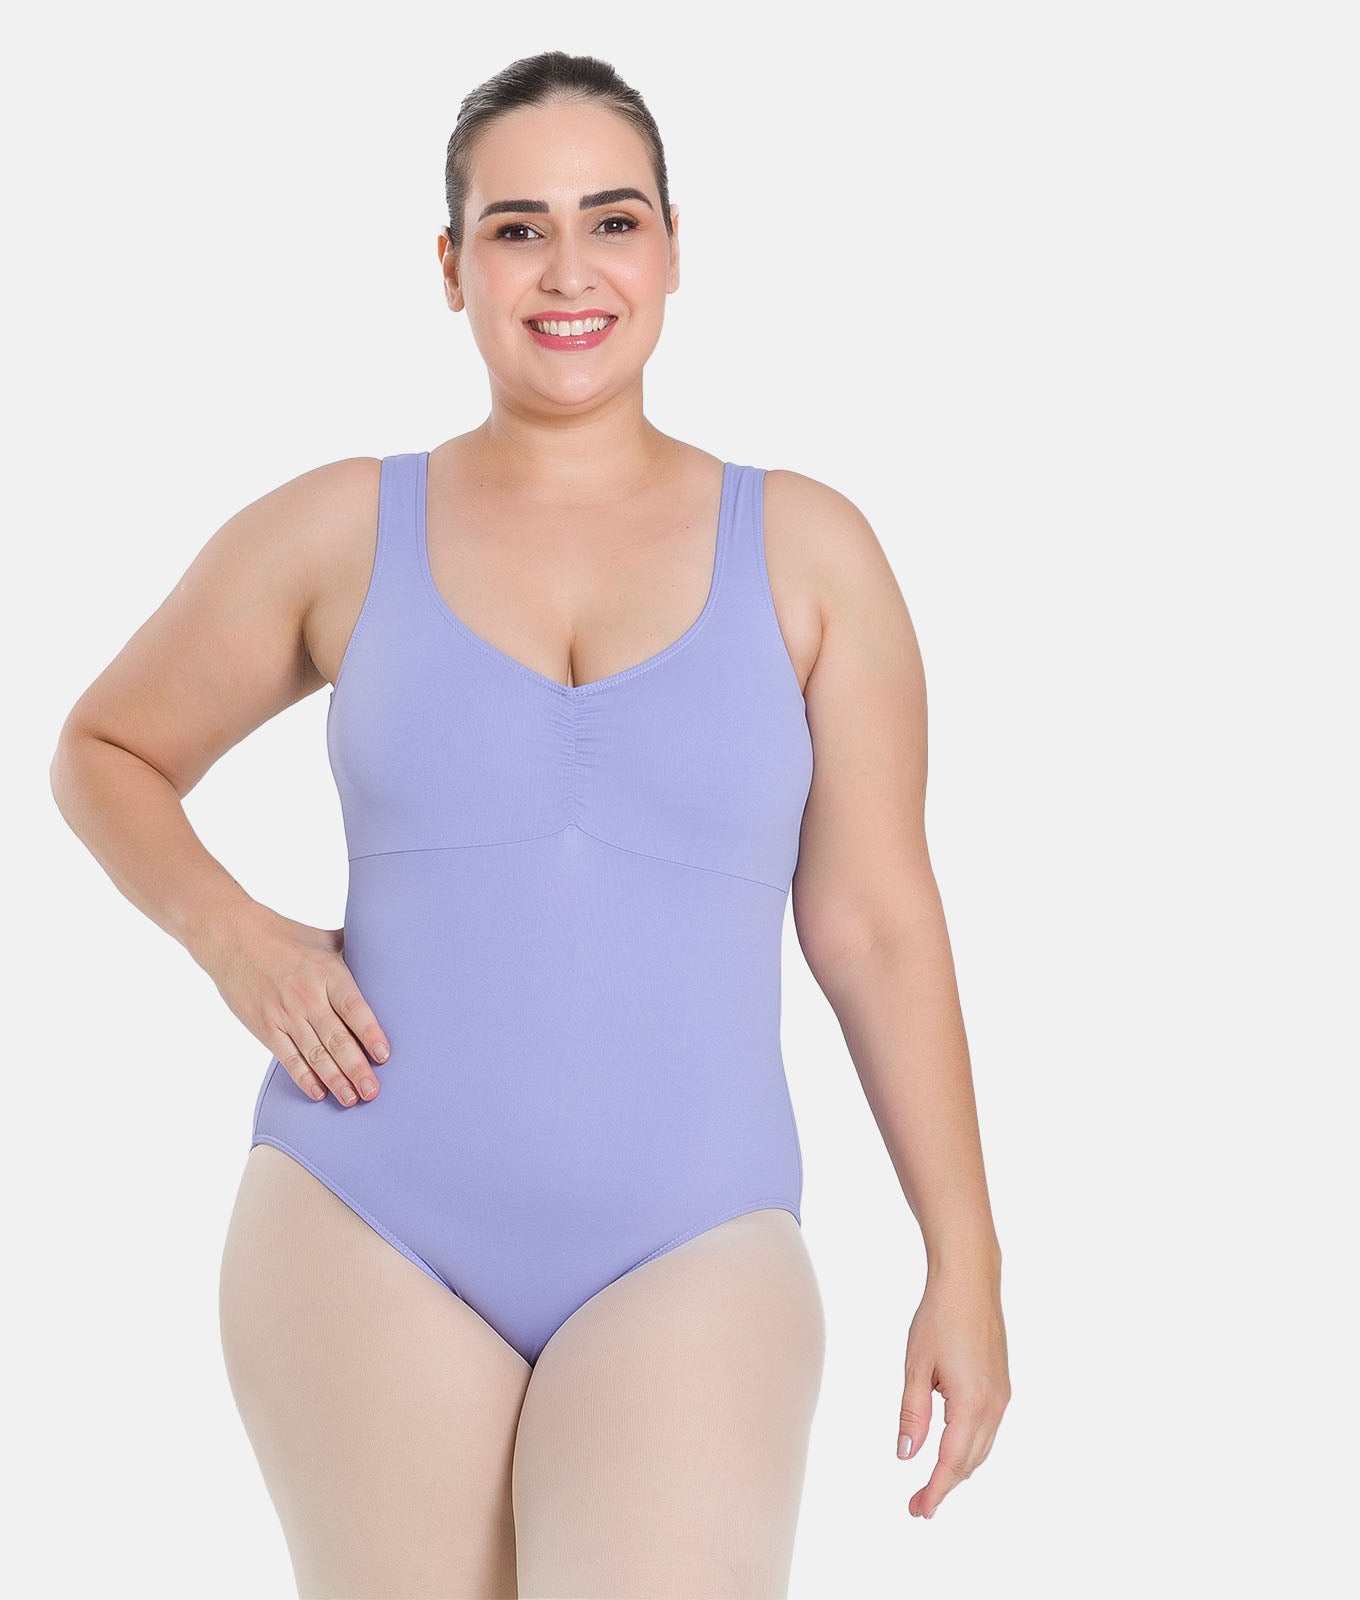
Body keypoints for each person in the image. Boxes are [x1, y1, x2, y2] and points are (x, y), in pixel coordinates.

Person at [49, 48, 1009, 1600]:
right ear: (452, 267)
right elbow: (104, 748)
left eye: (612, 221)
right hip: (366, 1218)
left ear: (674, 249)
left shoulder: (810, 552)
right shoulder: (343, 528)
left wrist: (964, 1256)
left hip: (692, 1234)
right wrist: (236, 939)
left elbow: (878, 923)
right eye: (516, 229)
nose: (569, 272)